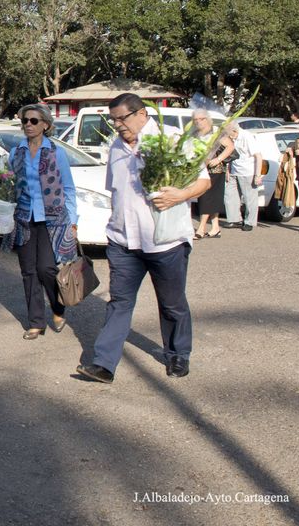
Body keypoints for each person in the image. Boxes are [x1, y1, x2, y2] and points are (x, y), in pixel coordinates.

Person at [77, 93, 210, 384]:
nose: (117, 125)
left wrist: (182, 195)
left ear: (141, 114)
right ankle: (104, 364)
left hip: (165, 242)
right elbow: (116, 192)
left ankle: (177, 353)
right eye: (113, 120)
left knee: (172, 303)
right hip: (123, 242)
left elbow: (204, 181)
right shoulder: (115, 147)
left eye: (121, 118)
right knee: (119, 302)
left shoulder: (171, 140)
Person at [0, 104, 77, 340]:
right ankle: (36, 322)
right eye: (25, 120)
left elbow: (68, 188)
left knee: (46, 269)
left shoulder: (56, 152)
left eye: (34, 121)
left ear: (45, 125)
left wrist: (74, 222)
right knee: (28, 271)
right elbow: (7, 183)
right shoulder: (16, 152)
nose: (28, 124)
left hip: (53, 219)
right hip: (25, 218)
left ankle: (58, 307)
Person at [192, 111, 234, 239]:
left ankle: (201, 228)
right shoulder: (196, 133)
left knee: (206, 198)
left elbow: (230, 147)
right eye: (196, 119)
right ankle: (215, 228)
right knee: (212, 199)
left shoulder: (216, 132)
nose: (199, 121)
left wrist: (218, 159)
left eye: (201, 119)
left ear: (208, 119)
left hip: (215, 170)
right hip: (201, 169)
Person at [222, 121, 263, 231]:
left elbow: (258, 156)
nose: (227, 134)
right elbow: (231, 155)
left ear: (235, 130)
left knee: (250, 198)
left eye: (228, 132)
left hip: (247, 171)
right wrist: (227, 170)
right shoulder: (232, 138)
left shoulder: (247, 137)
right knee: (230, 196)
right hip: (233, 170)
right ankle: (235, 219)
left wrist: (257, 175)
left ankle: (249, 221)